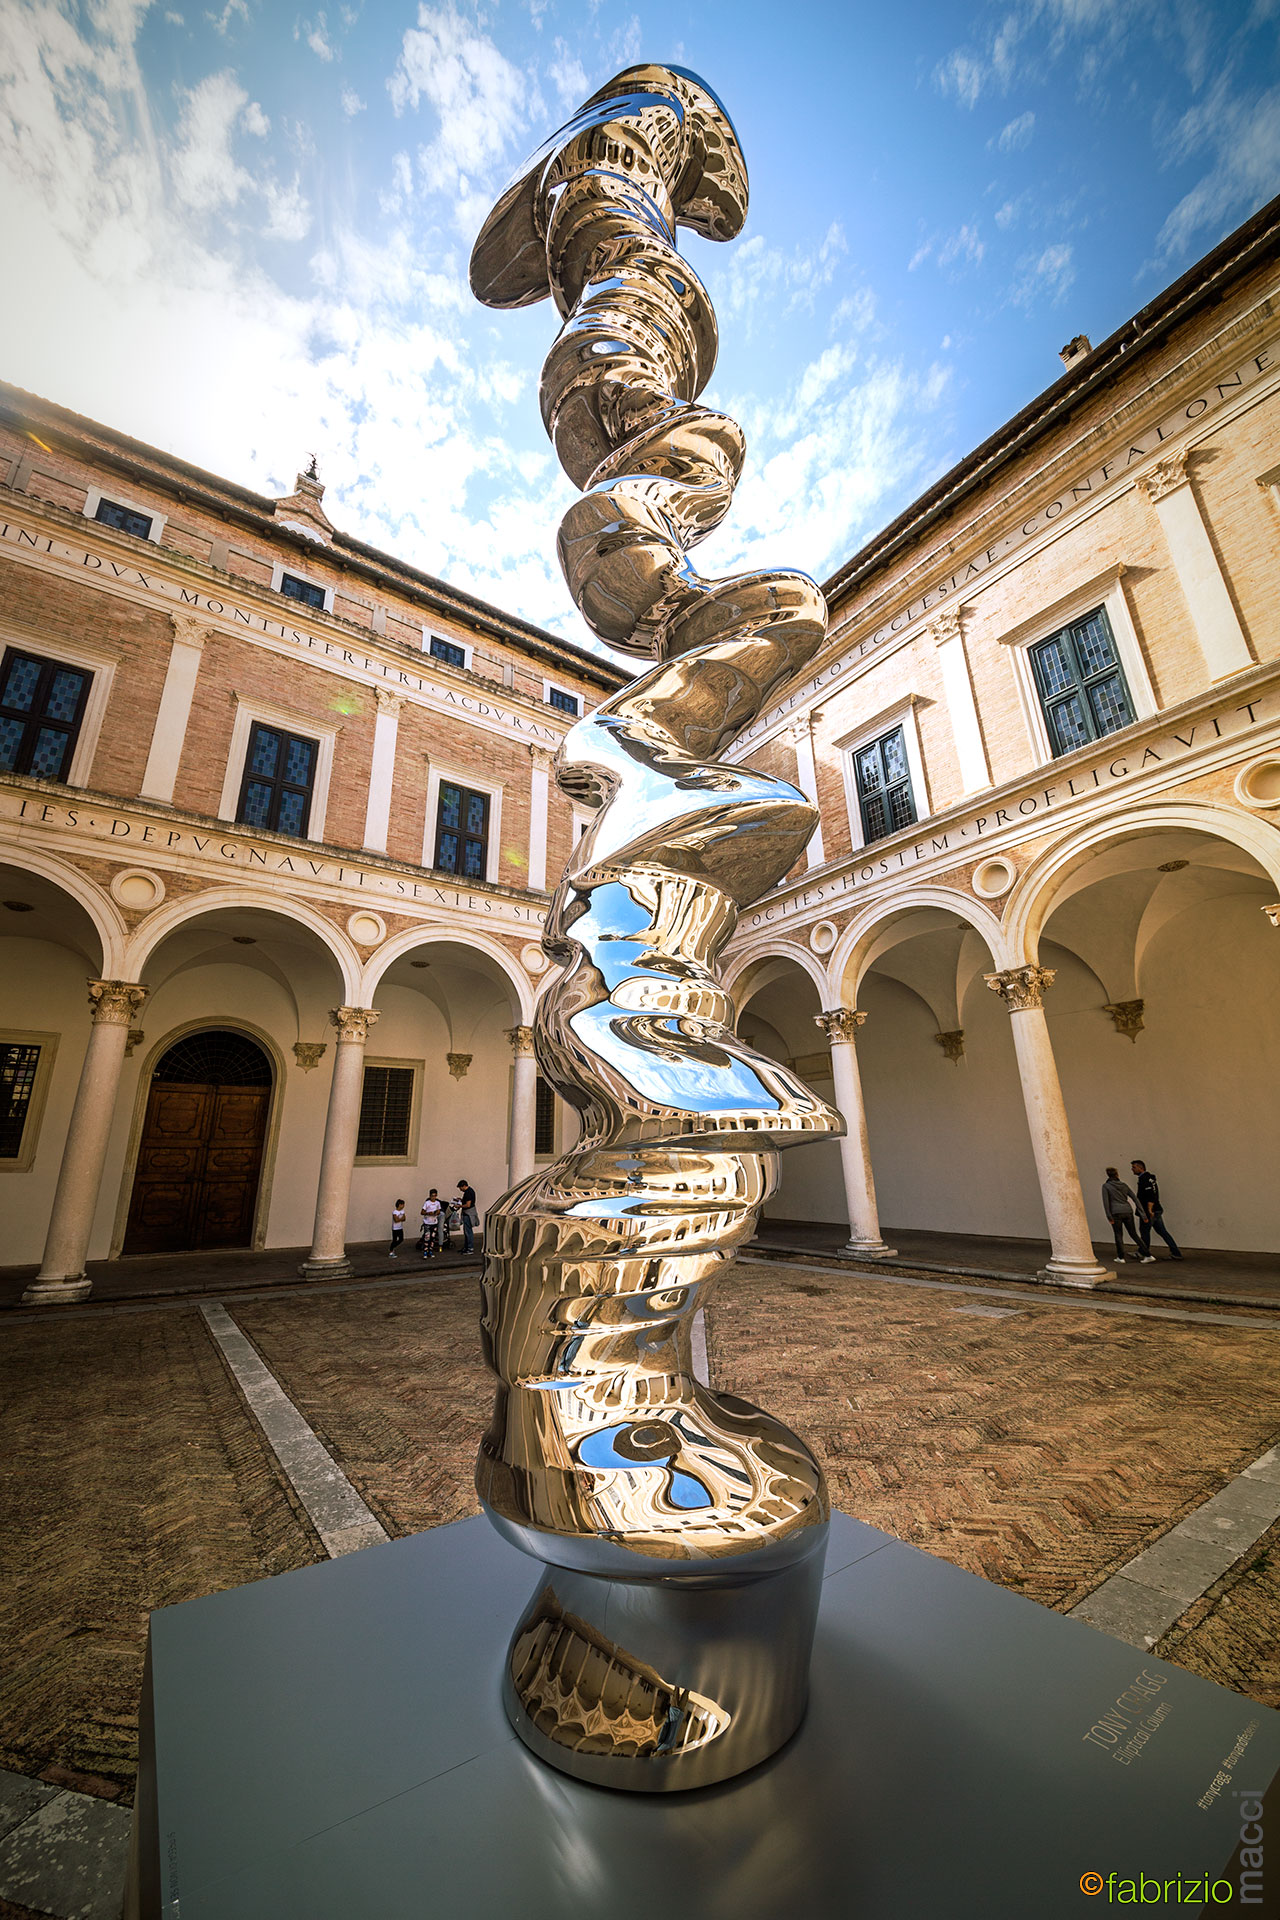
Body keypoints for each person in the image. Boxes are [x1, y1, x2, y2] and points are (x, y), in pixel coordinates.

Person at [1131, 1160, 1183, 1260]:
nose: (1132, 1169)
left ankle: (1143, 1252)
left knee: (1145, 1232)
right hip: (1157, 1210)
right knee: (1162, 1232)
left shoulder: (1144, 1179)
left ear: (1140, 1168)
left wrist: (1149, 1210)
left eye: (1134, 1167)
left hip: (1149, 1212)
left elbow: (1150, 1196)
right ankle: (1176, 1252)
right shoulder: (1151, 1178)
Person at [1101, 1168, 1151, 1263]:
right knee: (1134, 1234)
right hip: (1128, 1211)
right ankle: (1148, 1254)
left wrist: (1109, 1216)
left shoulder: (1106, 1186)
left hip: (1115, 1213)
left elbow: (1106, 1203)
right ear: (1117, 1174)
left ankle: (1120, 1257)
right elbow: (1135, 1199)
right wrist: (1143, 1215)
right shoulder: (1124, 1185)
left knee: (1118, 1235)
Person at [420, 1188, 443, 1259]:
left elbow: (439, 1211)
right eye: (432, 1196)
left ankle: (430, 1251)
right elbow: (422, 1212)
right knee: (427, 1238)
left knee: (432, 1238)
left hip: (434, 1222)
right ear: (430, 1196)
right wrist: (428, 1213)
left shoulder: (437, 1203)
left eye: (435, 1196)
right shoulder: (427, 1203)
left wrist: (436, 1212)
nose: (433, 1197)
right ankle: (425, 1252)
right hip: (427, 1223)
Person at [457, 1178, 477, 1254]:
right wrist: (461, 1200)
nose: (460, 1189)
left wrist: (459, 1206)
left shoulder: (468, 1192)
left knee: (468, 1232)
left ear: (464, 1186)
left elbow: (468, 1204)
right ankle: (466, 1247)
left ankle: (470, 1248)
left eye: (460, 1188)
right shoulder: (470, 1191)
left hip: (468, 1214)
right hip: (469, 1213)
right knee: (466, 1231)